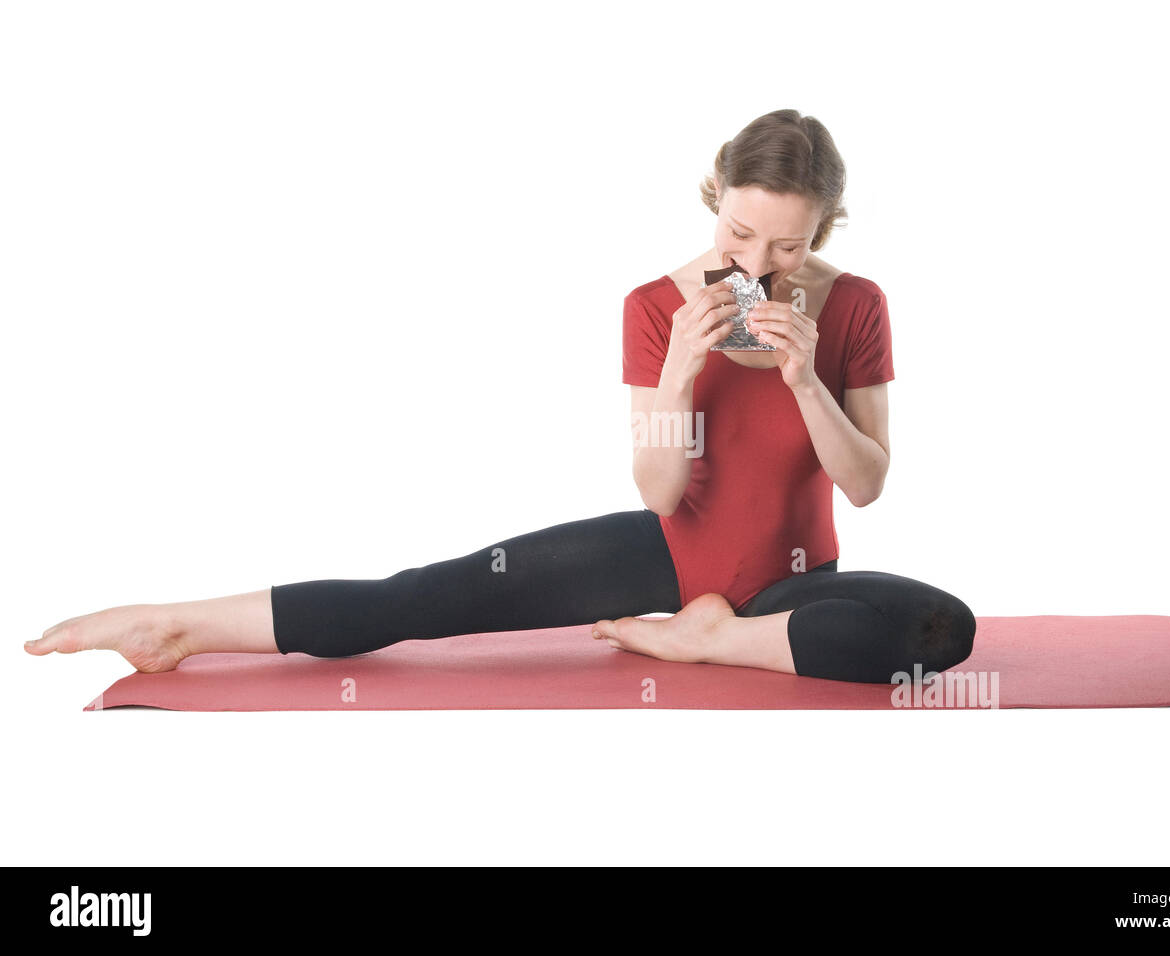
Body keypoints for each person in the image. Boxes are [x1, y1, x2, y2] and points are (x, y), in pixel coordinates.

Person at [26, 108, 977, 685]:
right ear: (715, 196)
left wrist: (806, 378)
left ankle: (709, 646)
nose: (759, 265)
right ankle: (178, 624)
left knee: (939, 630)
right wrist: (680, 370)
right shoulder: (652, 306)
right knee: (419, 597)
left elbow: (867, 487)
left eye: (788, 248)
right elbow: (657, 494)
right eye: (739, 236)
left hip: (793, 586)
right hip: (665, 552)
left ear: (822, 230)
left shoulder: (855, 306)